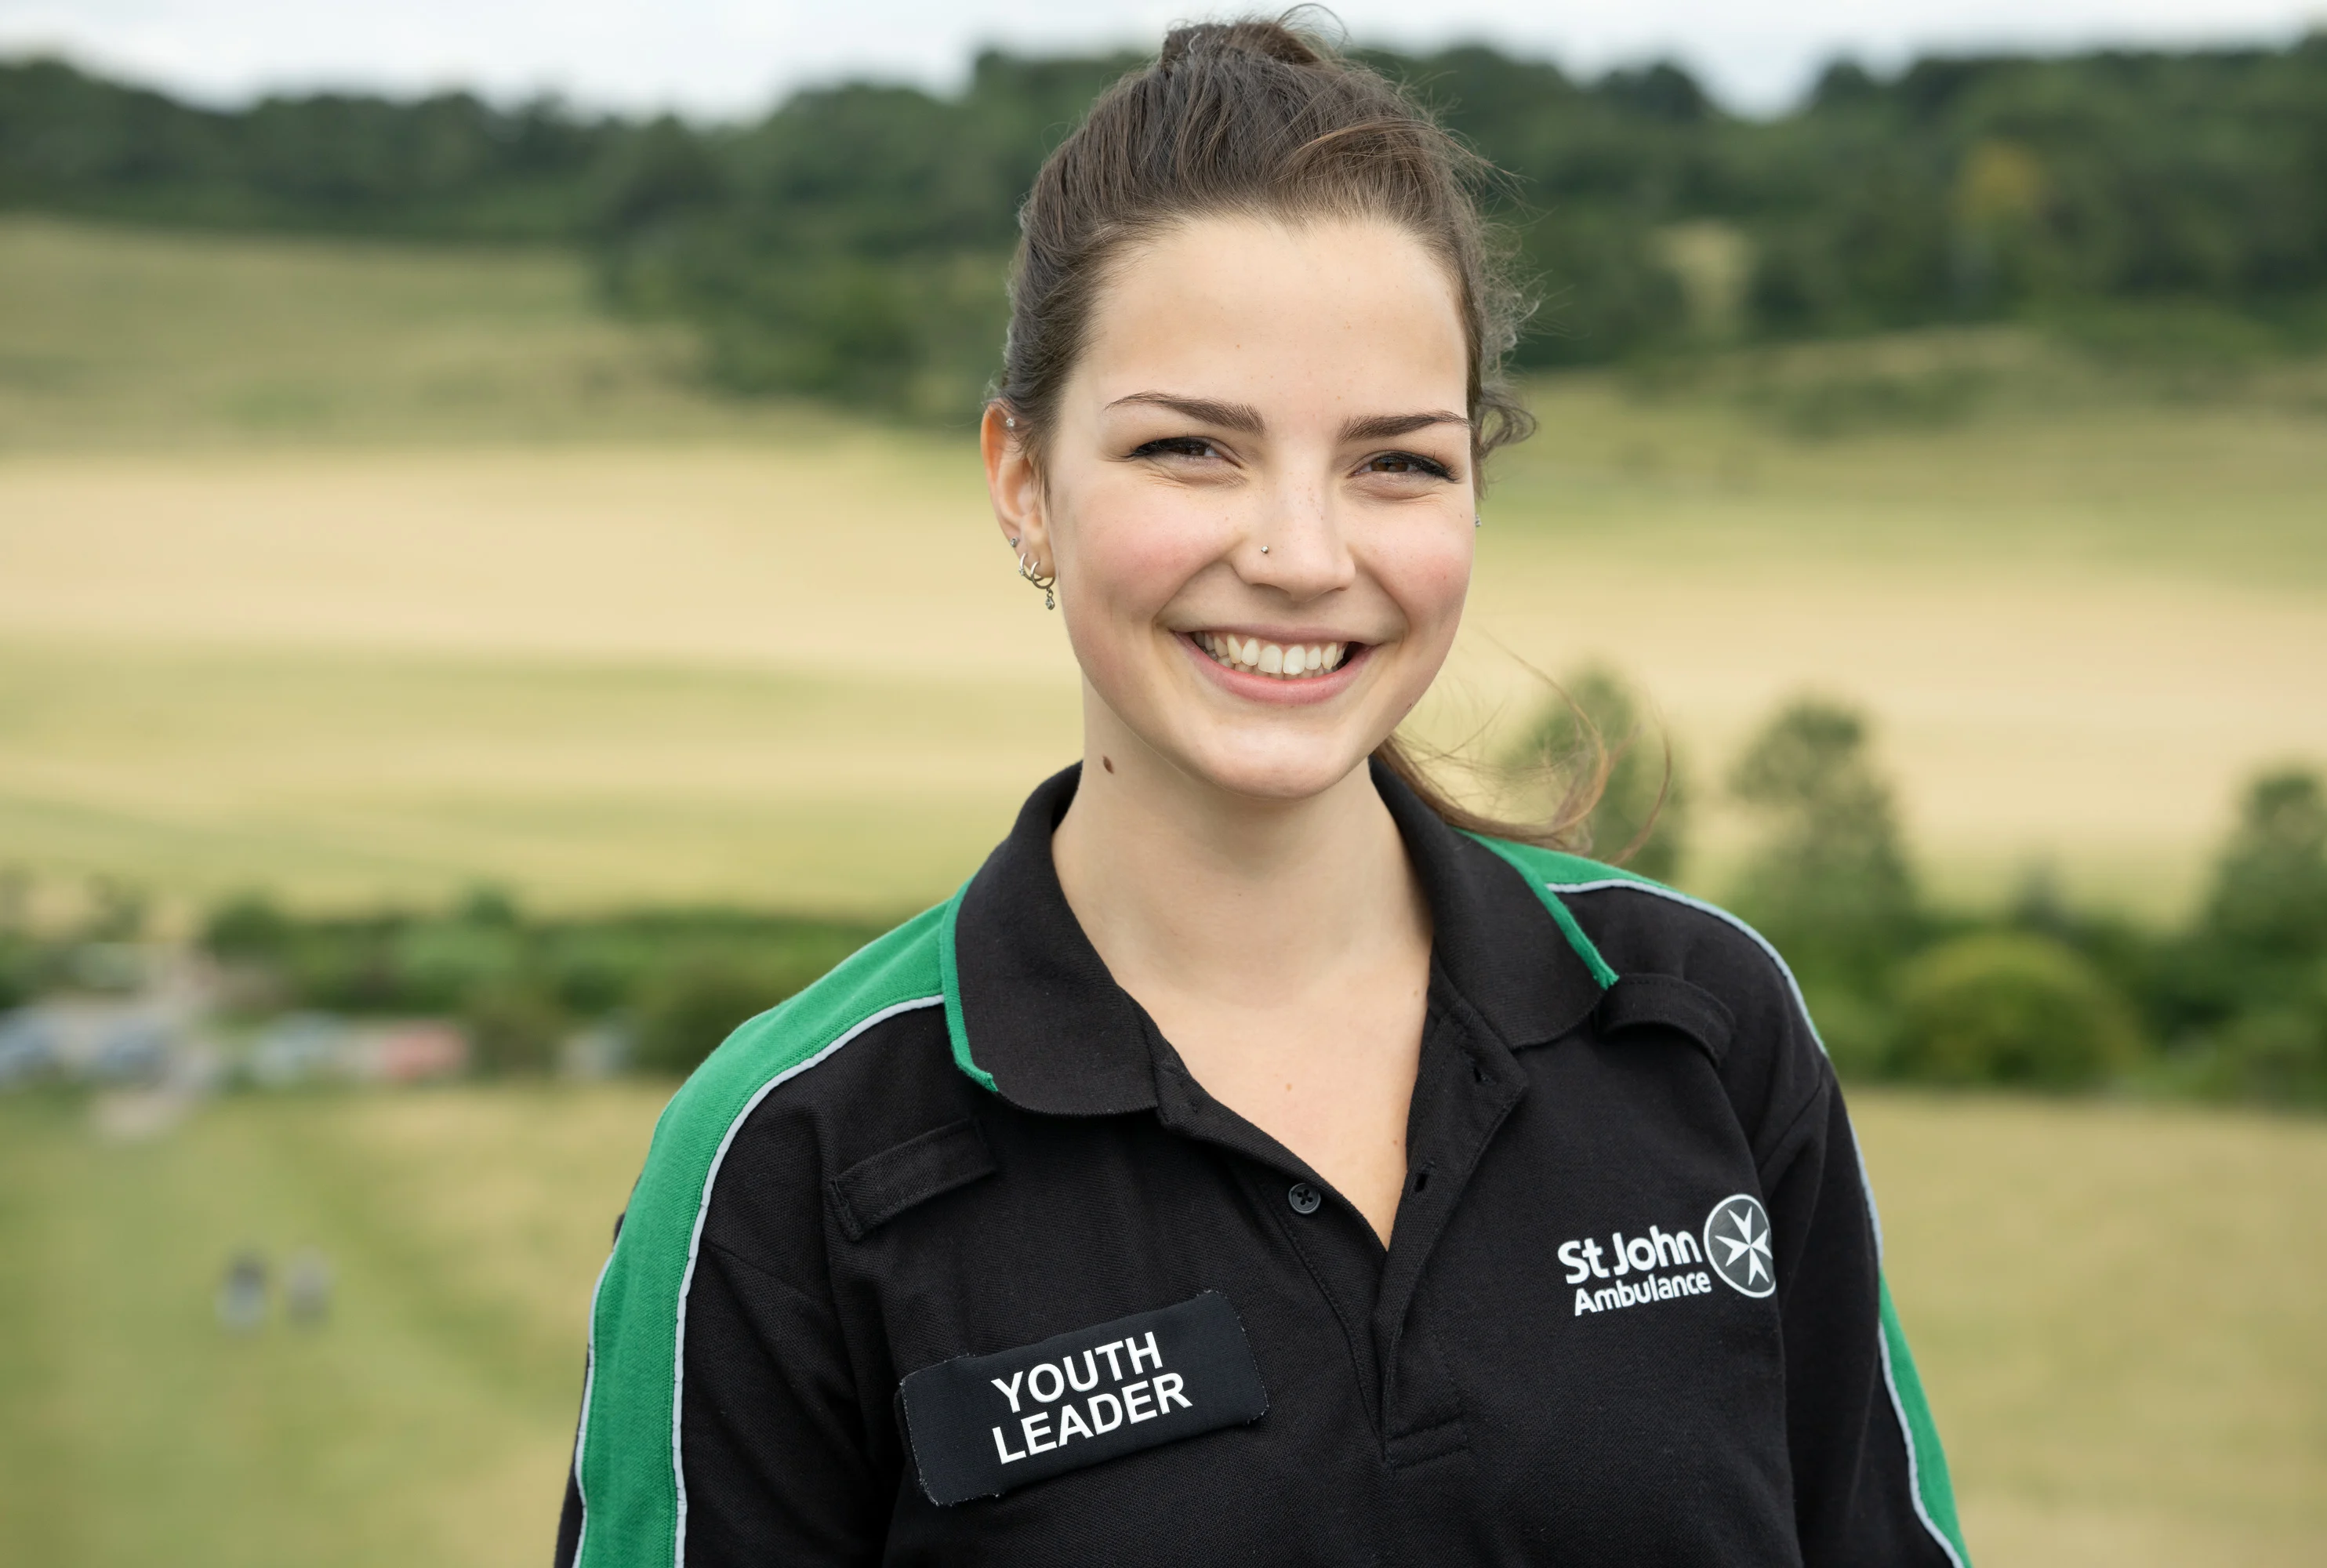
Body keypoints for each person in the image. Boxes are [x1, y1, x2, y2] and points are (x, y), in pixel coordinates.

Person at [556, 18, 1970, 1566]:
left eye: (1398, 463)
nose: (1304, 554)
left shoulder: (1701, 1027)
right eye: (1191, 449)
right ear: (1022, 481)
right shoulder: (786, 1154)